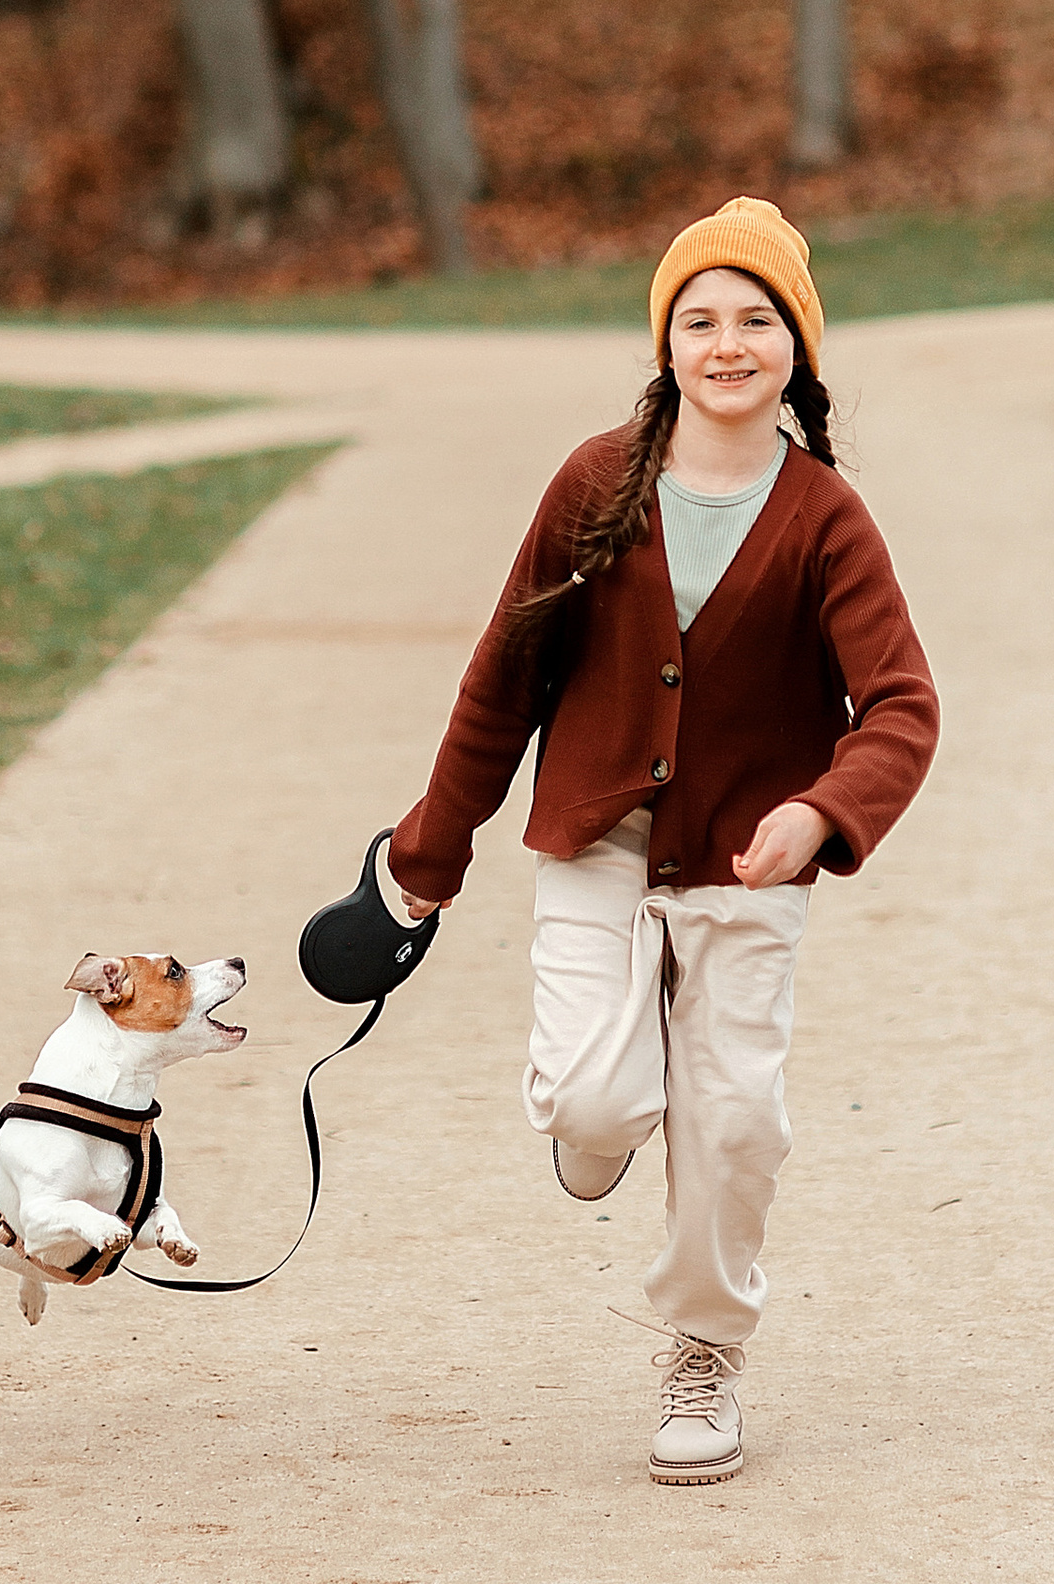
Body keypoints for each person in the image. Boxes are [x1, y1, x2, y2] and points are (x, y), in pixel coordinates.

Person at [390, 195, 940, 1486]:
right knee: (598, 1099)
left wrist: (823, 810)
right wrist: (428, 855)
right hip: (597, 838)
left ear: (797, 349)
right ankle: (596, 1115)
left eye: (757, 319)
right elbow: (504, 678)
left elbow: (903, 704)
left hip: (752, 861)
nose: (727, 342)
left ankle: (703, 1352)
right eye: (700, 319)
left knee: (735, 1115)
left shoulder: (823, 518)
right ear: (666, 346)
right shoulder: (595, 487)